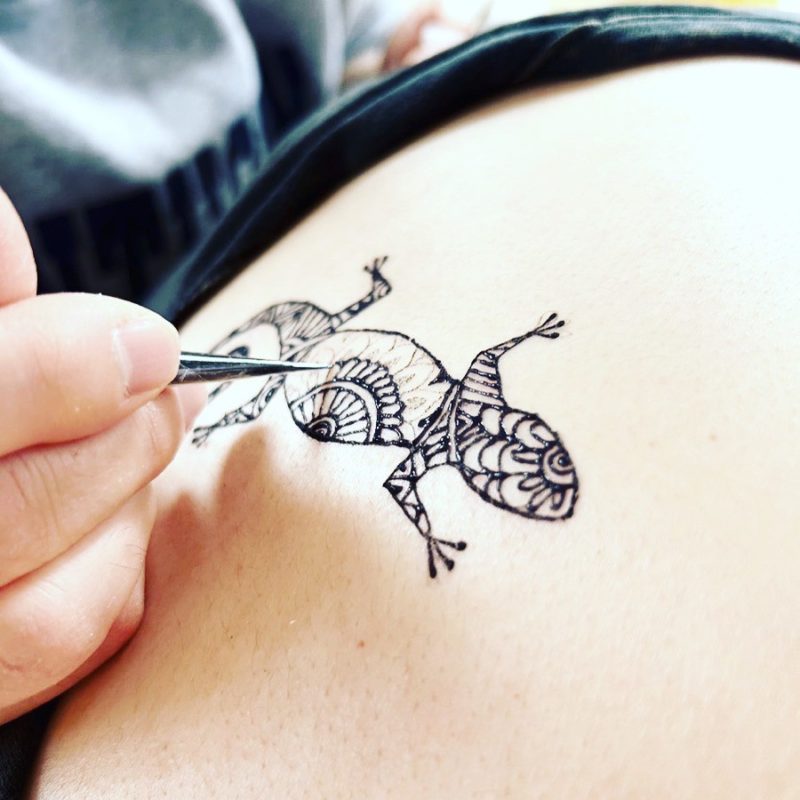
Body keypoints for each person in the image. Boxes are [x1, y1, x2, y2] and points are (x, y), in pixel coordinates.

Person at [4, 5, 800, 797]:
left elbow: (351, 24)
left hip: (415, 115)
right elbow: (418, 453)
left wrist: (388, 49)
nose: (514, 460)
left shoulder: (457, 422)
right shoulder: (442, 434)